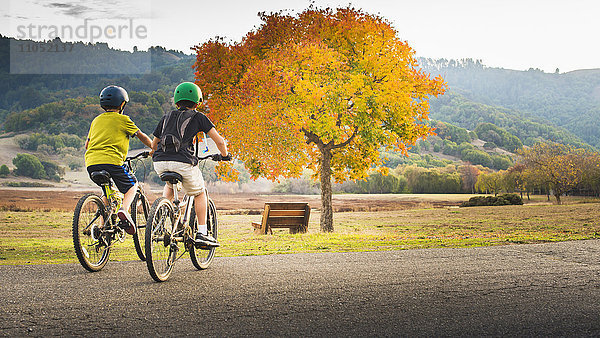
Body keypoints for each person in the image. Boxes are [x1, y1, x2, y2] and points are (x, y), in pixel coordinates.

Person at [150, 82, 229, 247]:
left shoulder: (166, 117)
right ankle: (202, 233)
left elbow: (154, 144)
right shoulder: (199, 117)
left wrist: (153, 153)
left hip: (160, 163)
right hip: (183, 162)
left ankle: (160, 218)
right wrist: (225, 156)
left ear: (177, 101)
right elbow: (220, 141)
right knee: (200, 193)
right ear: (198, 102)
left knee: (171, 186)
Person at [85, 85, 152, 235]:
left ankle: (103, 228)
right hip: (112, 162)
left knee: (106, 192)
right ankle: (124, 211)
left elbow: (87, 144)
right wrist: (154, 148)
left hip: (91, 163)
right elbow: (142, 136)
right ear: (122, 104)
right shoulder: (123, 119)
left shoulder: (96, 120)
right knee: (132, 186)